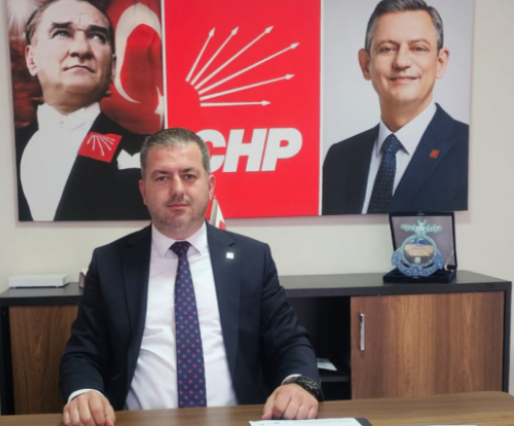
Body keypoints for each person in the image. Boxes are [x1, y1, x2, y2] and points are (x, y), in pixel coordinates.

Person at [60, 128, 321, 426]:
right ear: (143, 191)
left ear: (209, 186)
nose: (177, 189)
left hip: (236, 421)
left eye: (189, 175)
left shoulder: (252, 258)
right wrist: (85, 392)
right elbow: (83, 353)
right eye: (162, 177)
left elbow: (288, 341)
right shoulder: (109, 262)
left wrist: (298, 383)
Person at [322, 0, 469, 215]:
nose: (401, 62)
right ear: (365, 64)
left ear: (440, 62)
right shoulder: (339, 159)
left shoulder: (471, 150)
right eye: (387, 48)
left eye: (418, 48)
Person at [16, 0, 150, 221]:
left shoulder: (148, 154)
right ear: (31, 59)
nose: (81, 49)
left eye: (97, 36)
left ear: (113, 67)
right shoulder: (4, 151)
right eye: (61, 33)